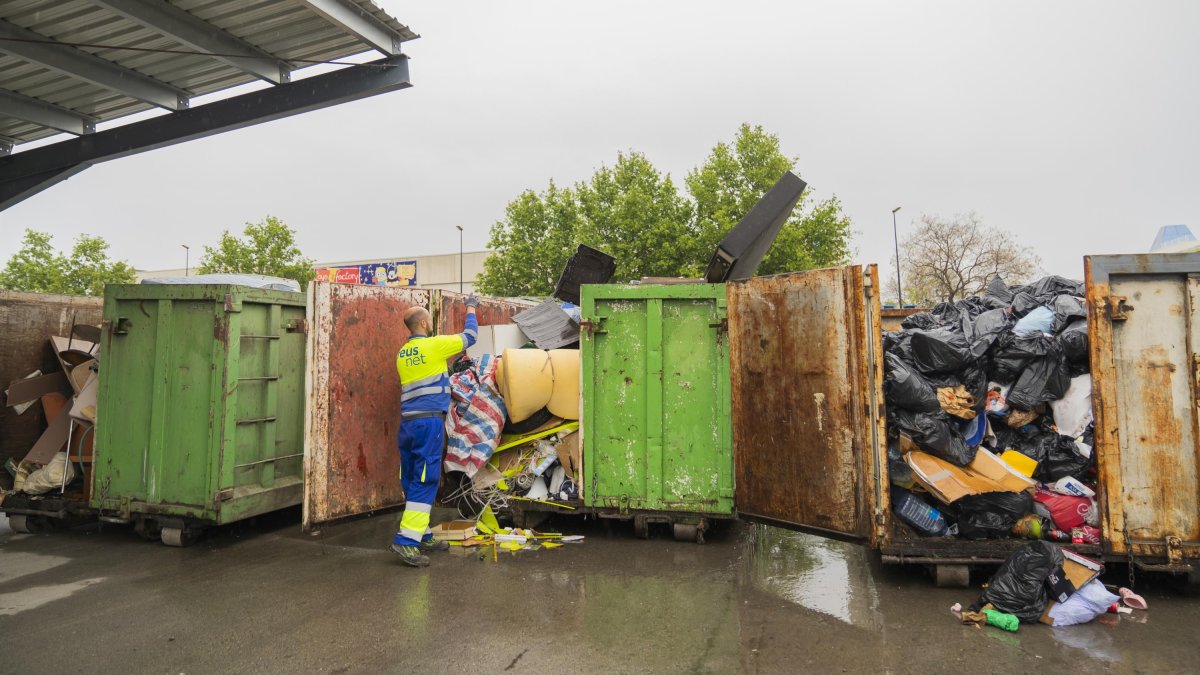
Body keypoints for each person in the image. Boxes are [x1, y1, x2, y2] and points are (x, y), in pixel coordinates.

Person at [391, 294, 479, 567]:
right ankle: (406, 541)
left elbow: (426, 376)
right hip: (429, 423)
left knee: (411, 477)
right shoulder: (435, 345)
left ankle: (423, 533)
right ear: (425, 322)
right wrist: (471, 307)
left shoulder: (402, 354)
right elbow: (470, 336)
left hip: (408, 423)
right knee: (426, 478)